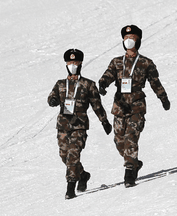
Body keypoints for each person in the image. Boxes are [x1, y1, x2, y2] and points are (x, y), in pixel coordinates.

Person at [98, 25, 170, 188]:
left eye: (132, 39)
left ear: (138, 41)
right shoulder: (116, 62)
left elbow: (155, 82)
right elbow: (107, 75)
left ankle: (129, 173)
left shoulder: (146, 63)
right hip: (119, 107)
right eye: (126, 39)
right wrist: (103, 84)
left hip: (137, 107)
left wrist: (163, 98)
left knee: (131, 139)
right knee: (119, 141)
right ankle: (135, 162)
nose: (128, 41)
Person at [48, 48, 112, 199]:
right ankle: (82, 175)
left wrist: (104, 121)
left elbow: (97, 105)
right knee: (64, 155)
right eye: (69, 62)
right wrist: (53, 100)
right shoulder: (60, 84)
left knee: (73, 155)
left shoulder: (88, 85)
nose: (72, 64)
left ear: (81, 63)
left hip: (79, 126)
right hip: (63, 125)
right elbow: (52, 97)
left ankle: (71, 187)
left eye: (75, 61)